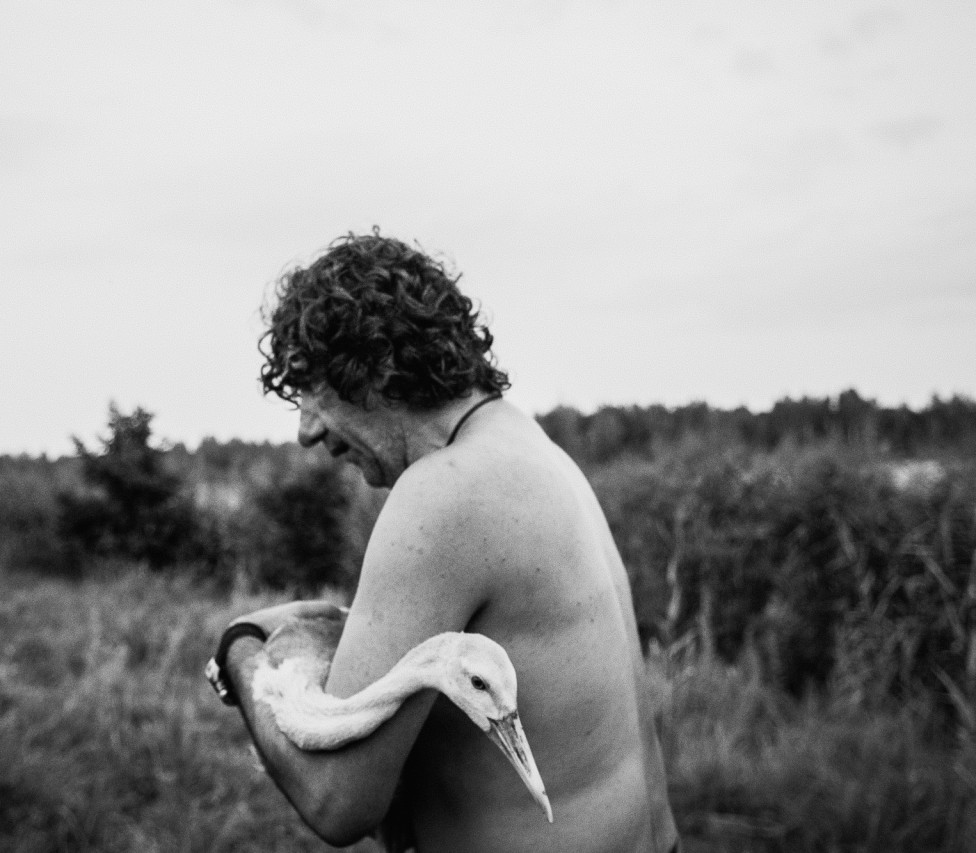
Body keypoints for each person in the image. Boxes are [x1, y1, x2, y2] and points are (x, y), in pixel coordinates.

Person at [210, 232, 679, 852]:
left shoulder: (445, 493)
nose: (306, 431)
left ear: (372, 365)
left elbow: (336, 799)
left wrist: (241, 649)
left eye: (311, 388)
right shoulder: (534, 452)